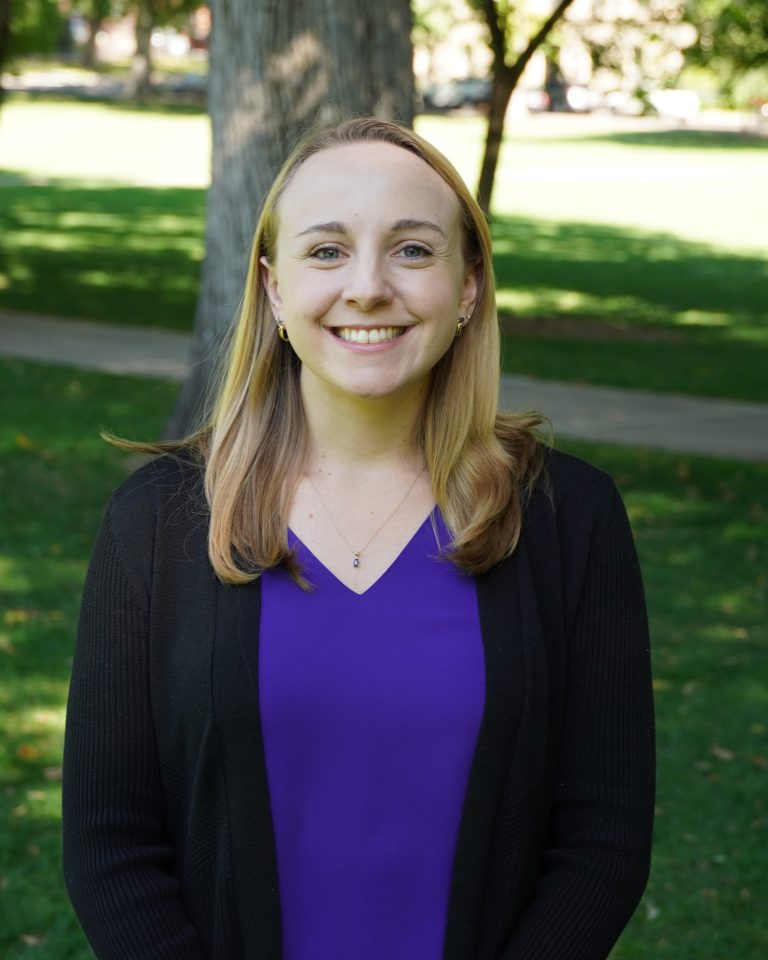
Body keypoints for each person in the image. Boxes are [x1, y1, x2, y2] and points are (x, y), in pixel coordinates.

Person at [62, 117, 654, 960]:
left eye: (412, 250)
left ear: (469, 286)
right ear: (271, 288)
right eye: (327, 251)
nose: (369, 287)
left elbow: (603, 842)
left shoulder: (570, 519)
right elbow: (110, 848)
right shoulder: (156, 524)